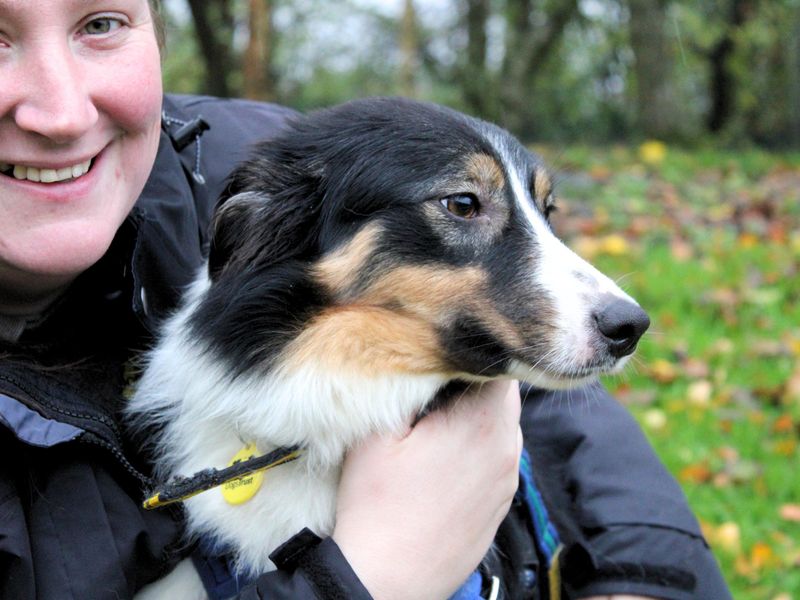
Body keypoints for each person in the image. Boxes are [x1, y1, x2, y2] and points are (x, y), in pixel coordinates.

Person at [0, 1, 731, 599]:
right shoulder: (287, 193)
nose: (62, 114)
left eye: (101, 22)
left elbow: (572, 421)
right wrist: (370, 576)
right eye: (465, 205)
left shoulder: (236, 151)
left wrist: (640, 580)